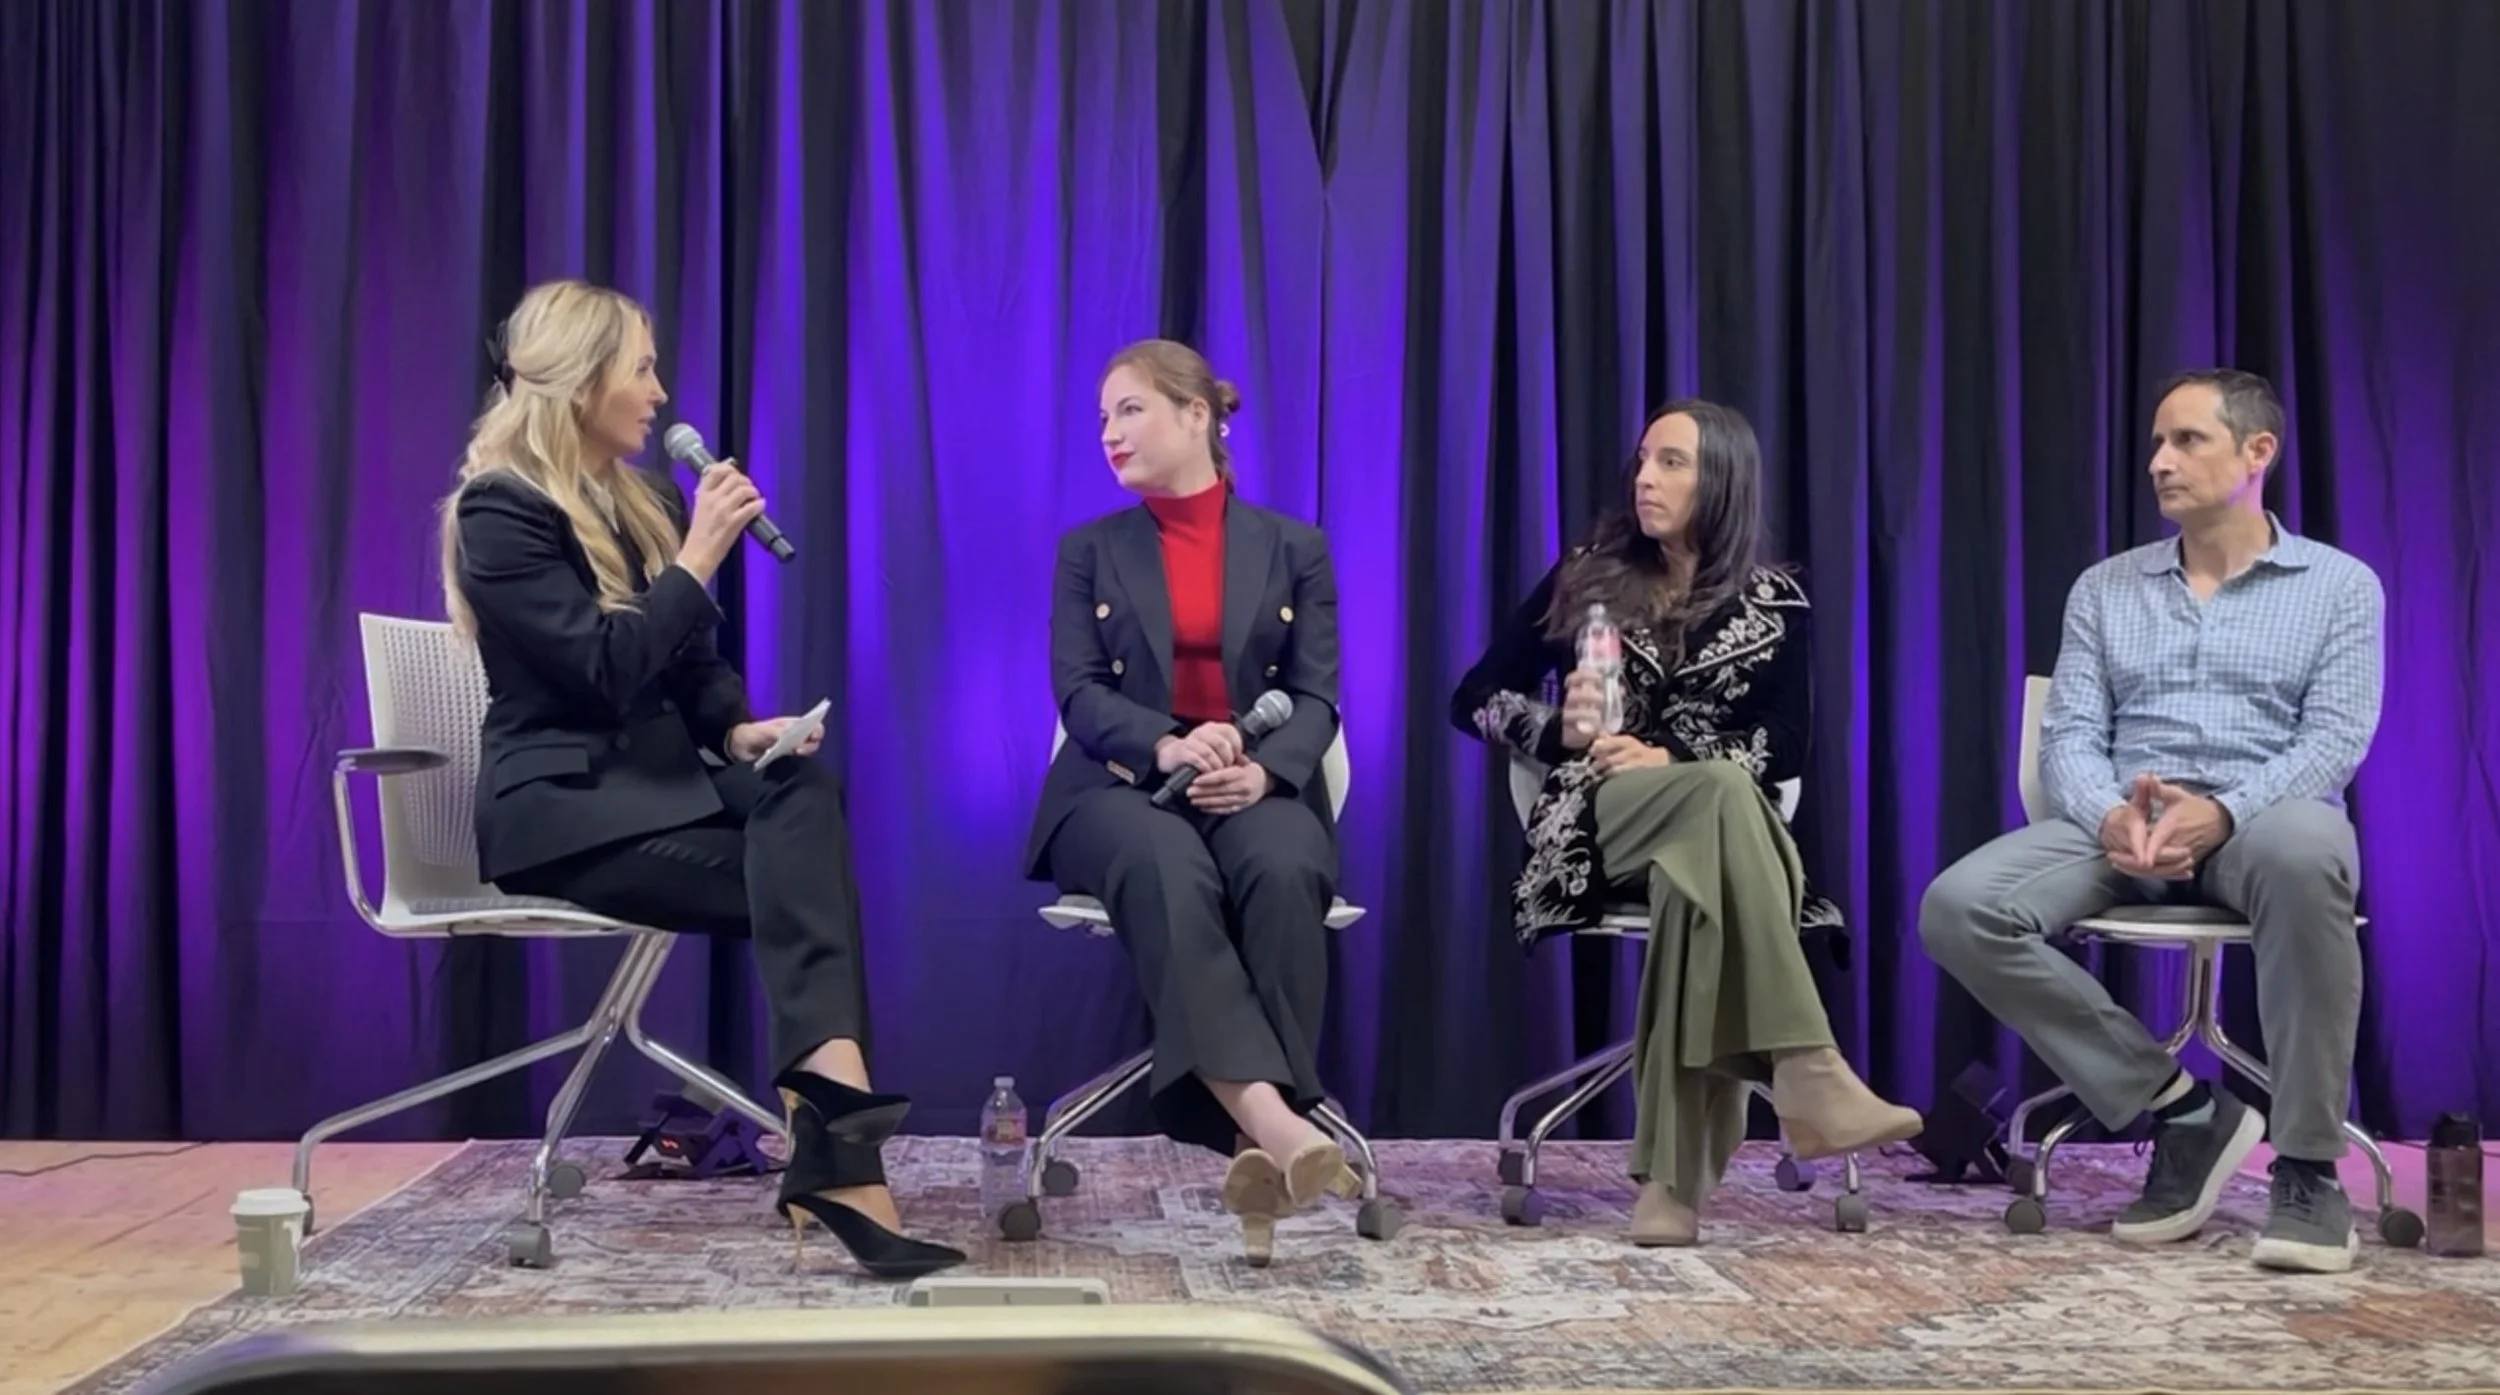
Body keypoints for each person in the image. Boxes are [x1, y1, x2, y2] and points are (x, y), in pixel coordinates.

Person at [438, 279, 964, 1280]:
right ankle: (838, 1142)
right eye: (640, 367)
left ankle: (831, 1130)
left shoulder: (629, 499)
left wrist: (736, 732)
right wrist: (700, 553)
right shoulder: (497, 511)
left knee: (800, 792)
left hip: (659, 783)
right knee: (805, 879)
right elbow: (601, 670)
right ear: (581, 379)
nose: (659, 389)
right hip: (567, 815)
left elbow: (688, 670)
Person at [1919, 368, 2384, 1275]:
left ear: (2258, 453)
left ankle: (2308, 1167)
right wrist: (2107, 817)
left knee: (2305, 854)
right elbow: (2071, 737)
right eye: (2157, 443)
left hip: (2267, 813)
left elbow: (2336, 738)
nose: (2159, 462)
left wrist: (2225, 811)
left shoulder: (2338, 586)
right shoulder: (2106, 588)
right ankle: (2181, 1110)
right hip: (2126, 820)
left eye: (2186, 441)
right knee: (1958, 905)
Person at [1451, 399, 1922, 1247]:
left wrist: (1670, 755)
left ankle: (1669, 1193)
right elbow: (1471, 697)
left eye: (1670, 462)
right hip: (1596, 817)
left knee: (1696, 879)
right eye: (1642, 461)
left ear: (1724, 480)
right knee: (1721, 802)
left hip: (1705, 825)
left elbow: (1786, 745)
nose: (1644, 479)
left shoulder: (1779, 602)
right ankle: (1807, 1067)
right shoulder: (1588, 572)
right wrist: (1560, 727)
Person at [1025, 338, 1348, 1265]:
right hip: (1120, 787)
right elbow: (1079, 692)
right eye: (1101, 418)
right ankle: (1269, 1124)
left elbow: (1319, 694)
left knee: (1287, 864)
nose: (1109, 433)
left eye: (1129, 410)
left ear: (1196, 415)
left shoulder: (1296, 547)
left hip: (1247, 781)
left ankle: (1259, 1156)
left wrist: (1268, 770)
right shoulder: (1089, 550)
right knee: (1167, 862)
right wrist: (1163, 740)